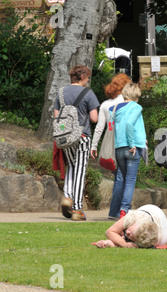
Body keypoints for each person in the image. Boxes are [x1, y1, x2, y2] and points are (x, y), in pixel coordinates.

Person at [55, 65, 99, 221]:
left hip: (65, 138)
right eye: (87, 78)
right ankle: (77, 208)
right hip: (82, 136)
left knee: (71, 166)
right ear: (82, 77)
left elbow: (56, 116)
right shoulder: (88, 93)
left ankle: (67, 196)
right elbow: (94, 118)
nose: (88, 81)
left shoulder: (61, 92)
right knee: (80, 169)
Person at [90, 73, 132, 219]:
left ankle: (121, 209)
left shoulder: (105, 104)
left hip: (110, 144)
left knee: (119, 177)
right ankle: (119, 210)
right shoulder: (126, 101)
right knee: (123, 178)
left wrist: (94, 146)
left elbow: (100, 127)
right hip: (124, 142)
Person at [109, 82, 147, 219]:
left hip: (119, 148)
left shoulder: (114, 108)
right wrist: (133, 143)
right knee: (130, 180)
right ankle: (124, 209)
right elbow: (130, 123)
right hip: (132, 148)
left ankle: (113, 211)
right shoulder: (136, 107)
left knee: (121, 178)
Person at [94, 204, 167, 248]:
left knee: (121, 236)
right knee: (121, 234)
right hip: (153, 210)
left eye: (129, 235)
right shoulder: (134, 217)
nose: (127, 231)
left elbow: (116, 239)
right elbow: (110, 232)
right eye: (130, 229)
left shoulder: (145, 241)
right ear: (135, 224)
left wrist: (123, 244)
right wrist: (124, 244)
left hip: (162, 233)